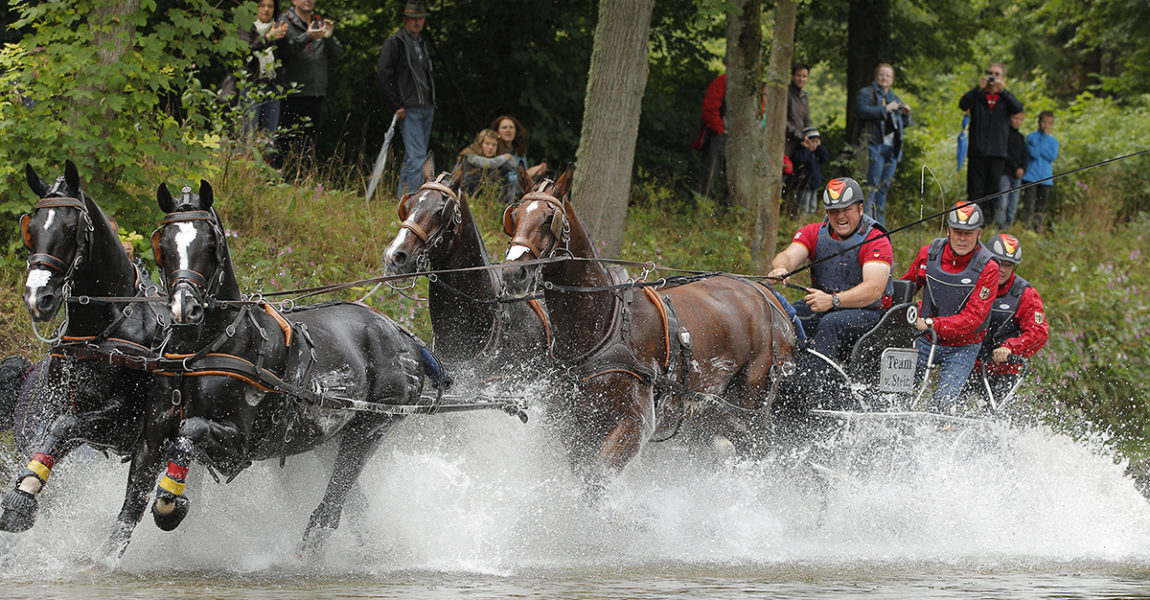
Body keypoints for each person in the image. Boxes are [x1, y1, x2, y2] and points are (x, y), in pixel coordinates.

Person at [768, 177, 894, 367]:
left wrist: (833, 300)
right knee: (787, 315)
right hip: (822, 305)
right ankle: (780, 371)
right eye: (834, 211)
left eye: (846, 210)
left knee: (831, 323)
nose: (840, 217)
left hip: (868, 313)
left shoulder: (876, 239)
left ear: (860, 209)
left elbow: (874, 290)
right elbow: (787, 255)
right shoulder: (813, 232)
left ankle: (813, 387)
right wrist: (781, 268)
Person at [901, 202, 999, 412]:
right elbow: (905, 289)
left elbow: (973, 319)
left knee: (943, 403)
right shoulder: (928, 253)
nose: (962, 238)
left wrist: (929, 323)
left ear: (979, 233)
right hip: (925, 340)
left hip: (963, 346)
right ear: (948, 231)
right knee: (898, 390)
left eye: (968, 233)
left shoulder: (989, 268)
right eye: (957, 232)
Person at [967, 233, 1049, 406]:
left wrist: (1010, 346)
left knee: (993, 418)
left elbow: (1039, 332)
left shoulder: (1025, 294)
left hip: (1001, 370)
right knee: (945, 408)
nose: (1003, 270)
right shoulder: (971, 281)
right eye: (999, 263)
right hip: (965, 365)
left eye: (1008, 265)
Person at [378, 1, 436, 198]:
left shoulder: (421, 42)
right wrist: (397, 105)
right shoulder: (395, 41)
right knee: (418, 157)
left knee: (413, 158)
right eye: (413, 18)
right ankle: (412, 201)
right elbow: (385, 75)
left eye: (420, 18)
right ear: (405, 20)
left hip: (427, 105)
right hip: (409, 106)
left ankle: (401, 198)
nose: (417, 22)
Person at [277, 0, 342, 165]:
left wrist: (329, 38)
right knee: (284, 143)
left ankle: (304, 182)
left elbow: (336, 56)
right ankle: (278, 181)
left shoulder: (320, 23)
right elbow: (283, 54)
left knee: (308, 145)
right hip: (291, 93)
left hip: (315, 92)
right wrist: (307, 37)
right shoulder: (284, 21)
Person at [957, 62, 1023, 224]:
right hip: (977, 152)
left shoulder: (1005, 99)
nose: (993, 77)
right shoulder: (978, 96)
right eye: (990, 73)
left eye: (997, 74)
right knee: (975, 191)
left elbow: (1018, 108)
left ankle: (987, 224)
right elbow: (963, 104)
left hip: (998, 153)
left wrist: (1003, 91)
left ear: (1003, 78)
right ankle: (971, 223)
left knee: (992, 192)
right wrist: (978, 88)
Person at [855, 63, 912, 226]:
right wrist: (885, 109)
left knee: (884, 187)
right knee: (871, 186)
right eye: (881, 74)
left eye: (888, 75)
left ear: (892, 79)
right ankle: (864, 223)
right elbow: (862, 111)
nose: (884, 78)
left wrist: (906, 115)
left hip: (892, 149)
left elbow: (901, 124)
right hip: (874, 146)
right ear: (875, 76)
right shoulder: (866, 93)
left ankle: (879, 225)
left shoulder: (895, 97)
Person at [237, 0, 288, 152]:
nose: (266, 9)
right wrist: (268, 38)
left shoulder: (279, 28)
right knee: (247, 134)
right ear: (256, 8)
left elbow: (289, 56)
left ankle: (264, 173)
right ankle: (242, 172)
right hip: (250, 84)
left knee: (268, 139)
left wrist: (284, 39)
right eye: (262, 5)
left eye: (270, 6)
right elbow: (247, 51)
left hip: (272, 85)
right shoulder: (246, 26)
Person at [490, 115, 547, 203]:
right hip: (498, 199)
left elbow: (524, 184)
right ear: (497, 132)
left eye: (511, 127)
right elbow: (502, 181)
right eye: (504, 128)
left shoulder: (520, 153)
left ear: (516, 132)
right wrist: (527, 174)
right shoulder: (493, 151)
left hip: (518, 197)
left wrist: (537, 172)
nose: (508, 130)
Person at [1020, 111, 1059, 230]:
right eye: (1044, 122)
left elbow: (1051, 157)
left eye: (1049, 123)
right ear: (1039, 122)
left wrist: (1044, 142)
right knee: (1029, 204)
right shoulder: (1032, 137)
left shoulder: (1054, 141)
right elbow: (1034, 154)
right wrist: (1043, 141)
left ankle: (1037, 227)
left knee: (1041, 206)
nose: (1046, 125)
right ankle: (1026, 226)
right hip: (1031, 176)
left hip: (1046, 178)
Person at [693, 73, 727, 201]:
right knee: (710, 173)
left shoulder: (751, 83)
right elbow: (710, 108)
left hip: (740, 138)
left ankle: (730, 212)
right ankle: (701, 208)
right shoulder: (722, 81)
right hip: (720, 134)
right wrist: (719, 129)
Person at [457, 129, 515, 197]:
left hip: (487, 195)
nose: (490, 147)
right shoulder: (470, 155)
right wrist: (506, 157)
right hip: (463, 194)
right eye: (487, 144)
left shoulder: (496, 159)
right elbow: (487, 164)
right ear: (480, 144)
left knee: (503, 173)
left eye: (494, 145)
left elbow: (511, 165)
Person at [997, 110, 1028, 230]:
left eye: (1021, 119)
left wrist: (1023, 169)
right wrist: (1016, 168)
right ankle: (999, 226)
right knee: (1002, 202)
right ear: (1010, 118)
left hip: (1018, 175)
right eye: (1015, 118)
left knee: (1013, 204)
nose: (1018, 122)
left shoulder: (1021, 137)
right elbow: (1004, 154)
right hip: (1005, 173)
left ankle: (1008, 227)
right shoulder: (1004, 134)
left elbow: (1024, 155)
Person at [789, 127, 830, 215]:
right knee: (803, 207)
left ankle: (809, 221)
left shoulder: (816, 154)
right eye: (812, 142)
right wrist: (805, 148)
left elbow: (825, 157)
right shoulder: (800, 152)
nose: (814, 145)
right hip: (804, 186)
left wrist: (819, 147)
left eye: (816, 142)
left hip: (814, 185)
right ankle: (800, 221)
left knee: (812, 206)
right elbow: (801, 160)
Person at [785, 63, 812, 158]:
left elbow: (807, 119)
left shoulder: (804, 96)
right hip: (788, 142)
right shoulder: (786, 94)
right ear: (792, 76)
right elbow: (783, 121)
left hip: (802, 142)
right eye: (798, 76)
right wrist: (800, 136)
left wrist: (812, 136)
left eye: (804, 76)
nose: (801, 79)